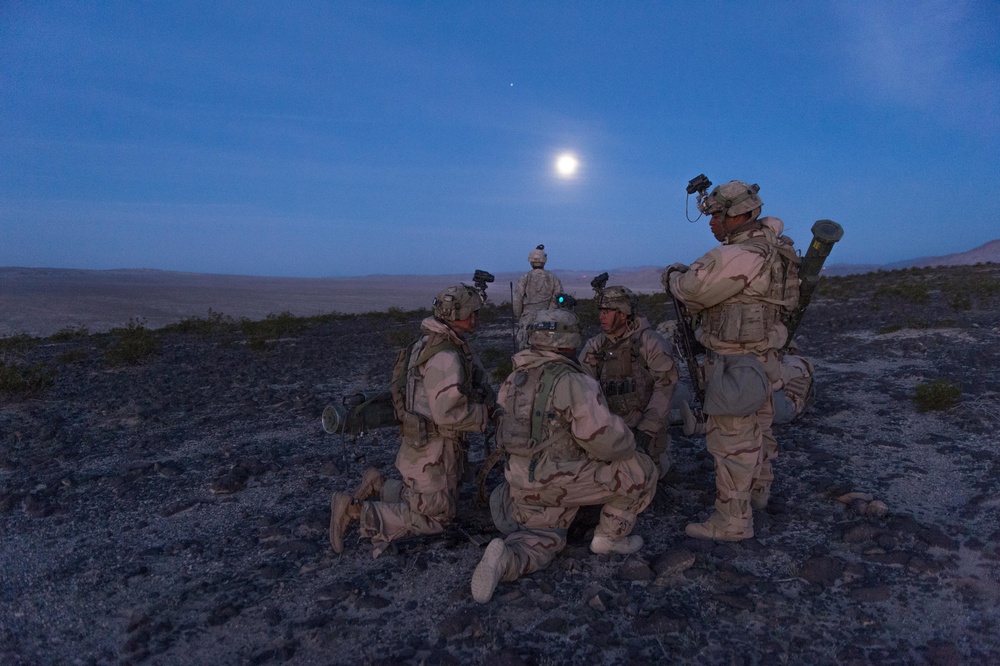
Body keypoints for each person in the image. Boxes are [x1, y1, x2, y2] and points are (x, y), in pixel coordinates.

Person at [471, 308, 657, 603]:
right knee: (639, 468)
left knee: (543, 541)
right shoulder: (573, 380)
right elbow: (607, 442)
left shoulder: (515, 378)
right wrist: (630, 439)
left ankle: (505, 559)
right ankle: (609, 538)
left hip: (521, 483)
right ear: (570, 341)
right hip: (560, 480)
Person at [663, 179, 799, 541]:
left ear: (736, 215)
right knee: (760, 431)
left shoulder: (739, 255)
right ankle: (758, 492)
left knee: (732, 442)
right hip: (764, 356)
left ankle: (732, 521)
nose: (710, 223)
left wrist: (675, 276)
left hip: (737, 363)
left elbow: (692, 292)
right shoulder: (774, 247)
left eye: (716, 216)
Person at [330, 284, 495, 558]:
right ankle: (356, 511)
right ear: (454, 314)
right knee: (437, 520)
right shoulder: (445, 356)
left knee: (443, 504)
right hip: (433, 452)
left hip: (422, 446)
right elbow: (447, 413)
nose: (475, 319)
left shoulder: (430, 342)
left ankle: (380, 485)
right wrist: (485, 415)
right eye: (471, 313)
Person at [579, 285, 679, 478]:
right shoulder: (596, 346)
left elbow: (665, 386)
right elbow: (583, 386)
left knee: (645, 477)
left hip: (645, 427)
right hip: (609, 428)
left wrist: (648, 428)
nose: (602, 316)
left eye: (607, 312)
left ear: (623, 314)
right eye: (601, 311)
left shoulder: (650, 342)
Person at [678, 350, 815, 434]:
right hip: (774, 398)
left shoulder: (796, 364)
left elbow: (774, 385)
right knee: (744, 402)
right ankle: (688, 419)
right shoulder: (779, 360)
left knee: (749, 405)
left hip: (786, 407)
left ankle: (702, 425)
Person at [512, 245, 563, 350]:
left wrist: (519, 316)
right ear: (544, 261)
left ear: (531, 261)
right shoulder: (553, 278)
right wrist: (550, 313)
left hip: (528, 320)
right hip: (548, 319)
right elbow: (559, 297)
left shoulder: (524, 278)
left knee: (525, 352)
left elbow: (517, 300)